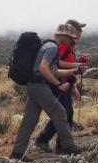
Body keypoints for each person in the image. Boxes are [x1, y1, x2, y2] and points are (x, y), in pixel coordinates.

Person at [11, 25, 82, 160]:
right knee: (60, 112)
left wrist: (75, 70)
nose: (71, 41)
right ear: (64, 35)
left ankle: (17, 153)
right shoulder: (53, 48)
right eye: (70, 37)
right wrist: (58, 84)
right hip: (39, 85)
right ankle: (68, 146)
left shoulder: (47, 46)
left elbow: (54, 70)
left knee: (29, 120)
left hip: (33, 84)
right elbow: (43, 68)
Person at [34, 20, 87, 153]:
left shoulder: (70, 45)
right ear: (72, 30)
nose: (81, 32)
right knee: (64, 113)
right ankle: (58, 144)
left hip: (65, 81)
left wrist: (73, 85)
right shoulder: (63, 45)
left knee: (63, 113)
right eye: (79, 29)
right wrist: (76, 66)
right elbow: (58, 63)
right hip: (57, 82)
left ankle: (54, 142)